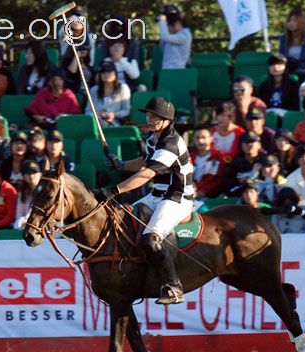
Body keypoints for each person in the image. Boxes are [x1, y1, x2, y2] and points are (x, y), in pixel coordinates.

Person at [94, 97, 195, 304]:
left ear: (166, 120)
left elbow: (147, 173)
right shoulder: (153, 139)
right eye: (148, 114)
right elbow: (145, 162)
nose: (149, 118)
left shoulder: (172, 143)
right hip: (157, 195)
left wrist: (115, 190)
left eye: (154, 115)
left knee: (150, 238)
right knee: (123, 222)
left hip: (177, 198)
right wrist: (121, 165)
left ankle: (174, 287)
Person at [88, 60, 131, 127]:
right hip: (96, 121)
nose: (106, 74)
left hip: (115, 123)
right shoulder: (94, 89)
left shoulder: (123, 88)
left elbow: (126, 110)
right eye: (103, 72)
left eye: (109, 72)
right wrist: (97, 114)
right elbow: (87, 110)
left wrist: (114, 114)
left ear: (115, 74)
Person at [278, 8, 305, 77]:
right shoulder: (283, 38)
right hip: (287, 69)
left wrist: (299, 69)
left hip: (304, 70)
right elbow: (282, 57)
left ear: (301, 22)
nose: (291, 23)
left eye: (294, 21)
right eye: (289, 20)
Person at [224, 131, 266, 196]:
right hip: (241, 195)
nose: (249, 145)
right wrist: (239, 180)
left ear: (259, 145)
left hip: (263, 194)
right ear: (241, 145)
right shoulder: (235, 162)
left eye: (252, 142)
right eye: (246, 143)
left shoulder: (265, 160)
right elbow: (228, 183)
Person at [190, 128, 224, 198]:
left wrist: (201, 192)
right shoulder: (190, 157)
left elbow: (212, 179)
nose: (200, 141)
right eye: (197, 138)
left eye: (203, 137)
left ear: (211, 139)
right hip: (191, 192)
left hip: (210, 196)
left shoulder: (216, 156)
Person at [158, 5, 192, 70]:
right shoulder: (174, 37)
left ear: (176, 24)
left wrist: (162, 19)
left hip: (176, 71)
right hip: (168, 70)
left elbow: (165, 37)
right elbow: (162, 45)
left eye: (167, 26)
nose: (167, 29)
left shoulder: (184, 36)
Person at [14, 160, 42, 229]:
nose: (31, 176)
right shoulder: (22, 193)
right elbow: (19, 214)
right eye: (28, 173)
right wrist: (23, 221)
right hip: (27, 224)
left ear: (40, 174)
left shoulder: (48, 191)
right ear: (23, 176)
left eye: (34, 172)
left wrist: (29, 220)